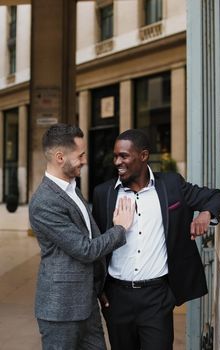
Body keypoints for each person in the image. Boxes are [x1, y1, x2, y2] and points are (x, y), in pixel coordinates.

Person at [92, 128, 220, 350]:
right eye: (115, 156)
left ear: (144, 156)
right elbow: (96, 246)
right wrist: (99, 289)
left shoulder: (171, 186)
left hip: (156, 297)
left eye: (124, 156)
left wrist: (206, 214)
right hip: (117, 299)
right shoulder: (103, 193)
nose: (117, 161)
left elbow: (219, 197)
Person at [29, 123, 134, 350]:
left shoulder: (72, 189)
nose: (85, 160)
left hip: (87, 304)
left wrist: (98, 287)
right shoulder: (45, 201)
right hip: (60, 310)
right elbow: (85, 249)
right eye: (81, 155)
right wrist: (120, 228)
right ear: (60, 157)